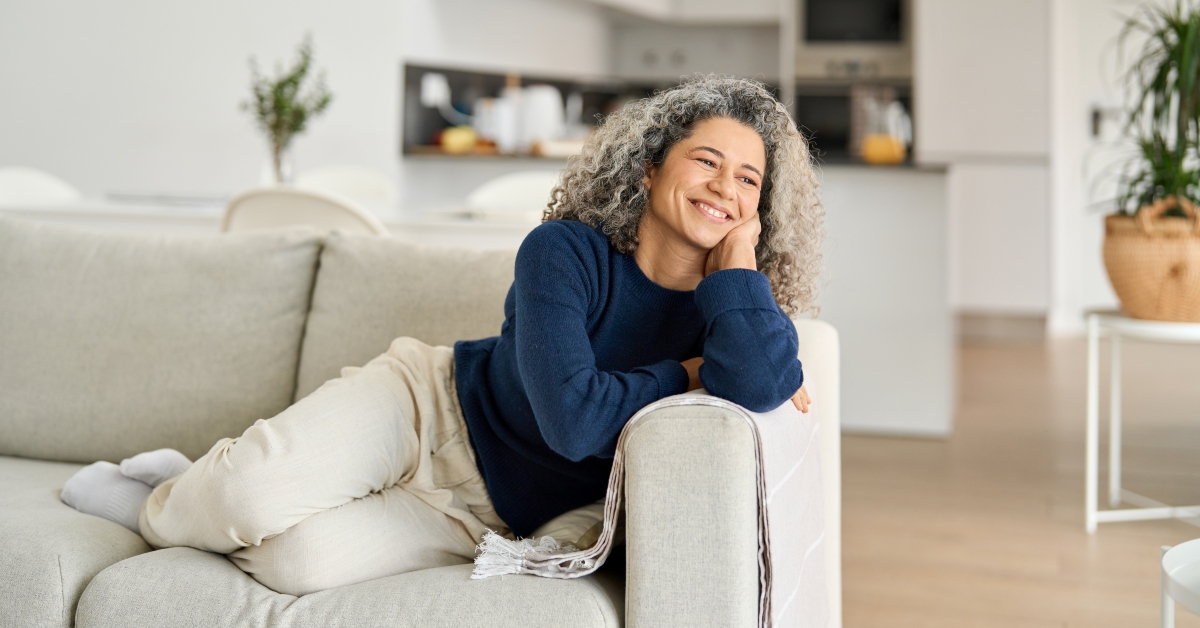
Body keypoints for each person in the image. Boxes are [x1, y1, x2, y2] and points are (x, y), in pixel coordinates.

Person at [60, 75, 825, 595]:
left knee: (292, 562)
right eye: (707, 162)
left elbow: (760, 381)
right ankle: (162, 497)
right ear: (652, 170)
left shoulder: (734, 303)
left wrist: (738, 269)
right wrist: (689, 376)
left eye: (749, 180)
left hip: (484, 514)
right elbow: (574, 420)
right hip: (428, 410)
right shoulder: (564, 251)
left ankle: (214, 487)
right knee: (244, 497)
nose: (726, 187)